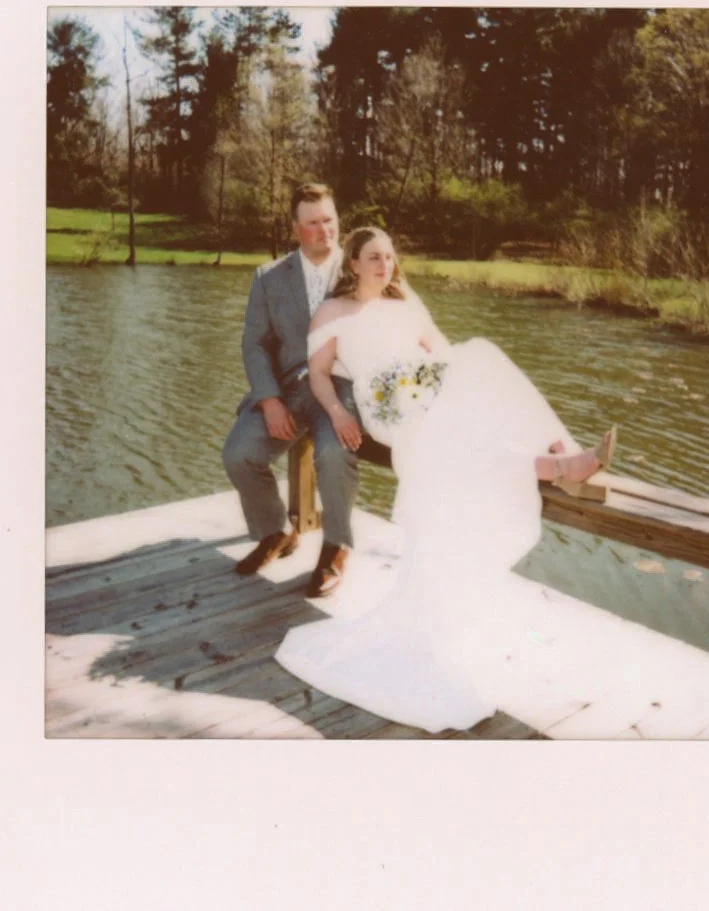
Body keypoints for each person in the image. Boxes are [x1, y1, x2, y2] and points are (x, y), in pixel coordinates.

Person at [275, 227, 616, 734]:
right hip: (386, 404)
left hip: (425, 385)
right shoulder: (333, 314)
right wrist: (336, 414)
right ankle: (559, 462)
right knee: (461, 408)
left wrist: (450, 388)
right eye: (373, 257)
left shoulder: (406, 302)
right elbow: (320, 374)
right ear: (352, 263)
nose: (383, 266)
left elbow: (442, 353)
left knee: (480, 355)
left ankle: (558, 455)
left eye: (389, 257)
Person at [222, 183, 364, 596]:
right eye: (313, 223)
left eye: (330, 220)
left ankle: (336, 548)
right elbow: (255, 344)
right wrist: (268, 400)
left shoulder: (360, 270)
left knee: (334, 452)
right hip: (285, 390)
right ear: (296, 228)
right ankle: (277, 533)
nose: (325, 230)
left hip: (340, 392)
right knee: (238, 454)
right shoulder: (268, 278)